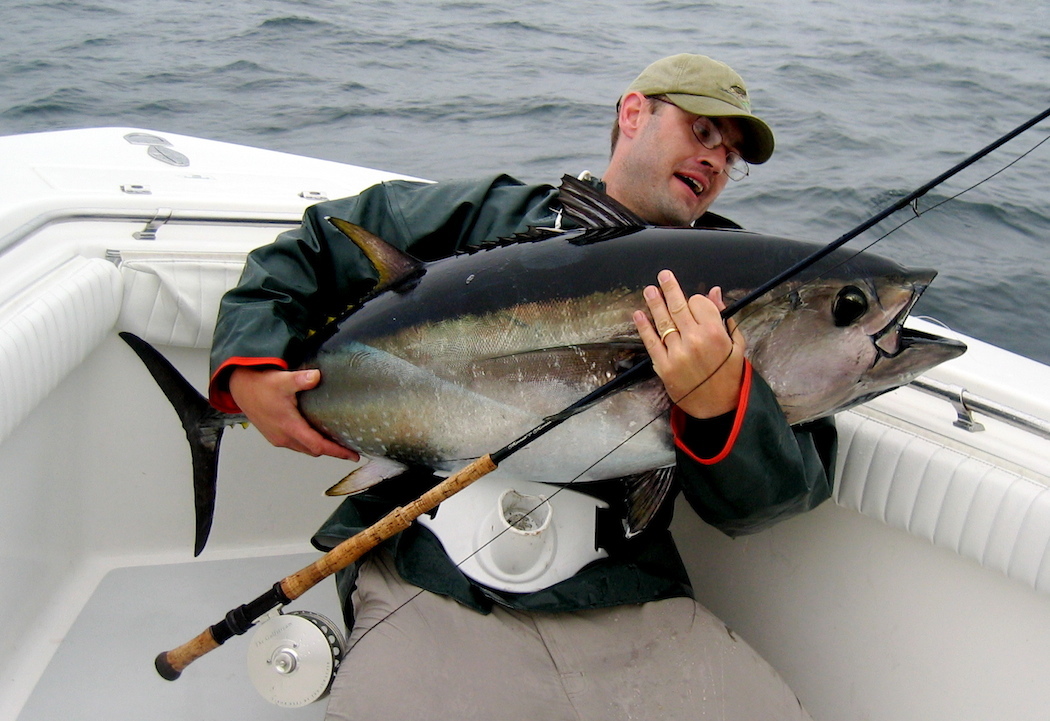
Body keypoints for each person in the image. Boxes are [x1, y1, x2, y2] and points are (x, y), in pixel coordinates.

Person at [208, 54, 835, 720]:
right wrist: (248, 369)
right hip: (431, 569)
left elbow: (775, 495)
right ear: (633, 113)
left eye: (732, 155)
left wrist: (720, 409)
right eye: (703, 131)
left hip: (617, 590)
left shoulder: (750, 281)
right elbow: (307, 250)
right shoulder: (492, 218)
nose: (716, 161)